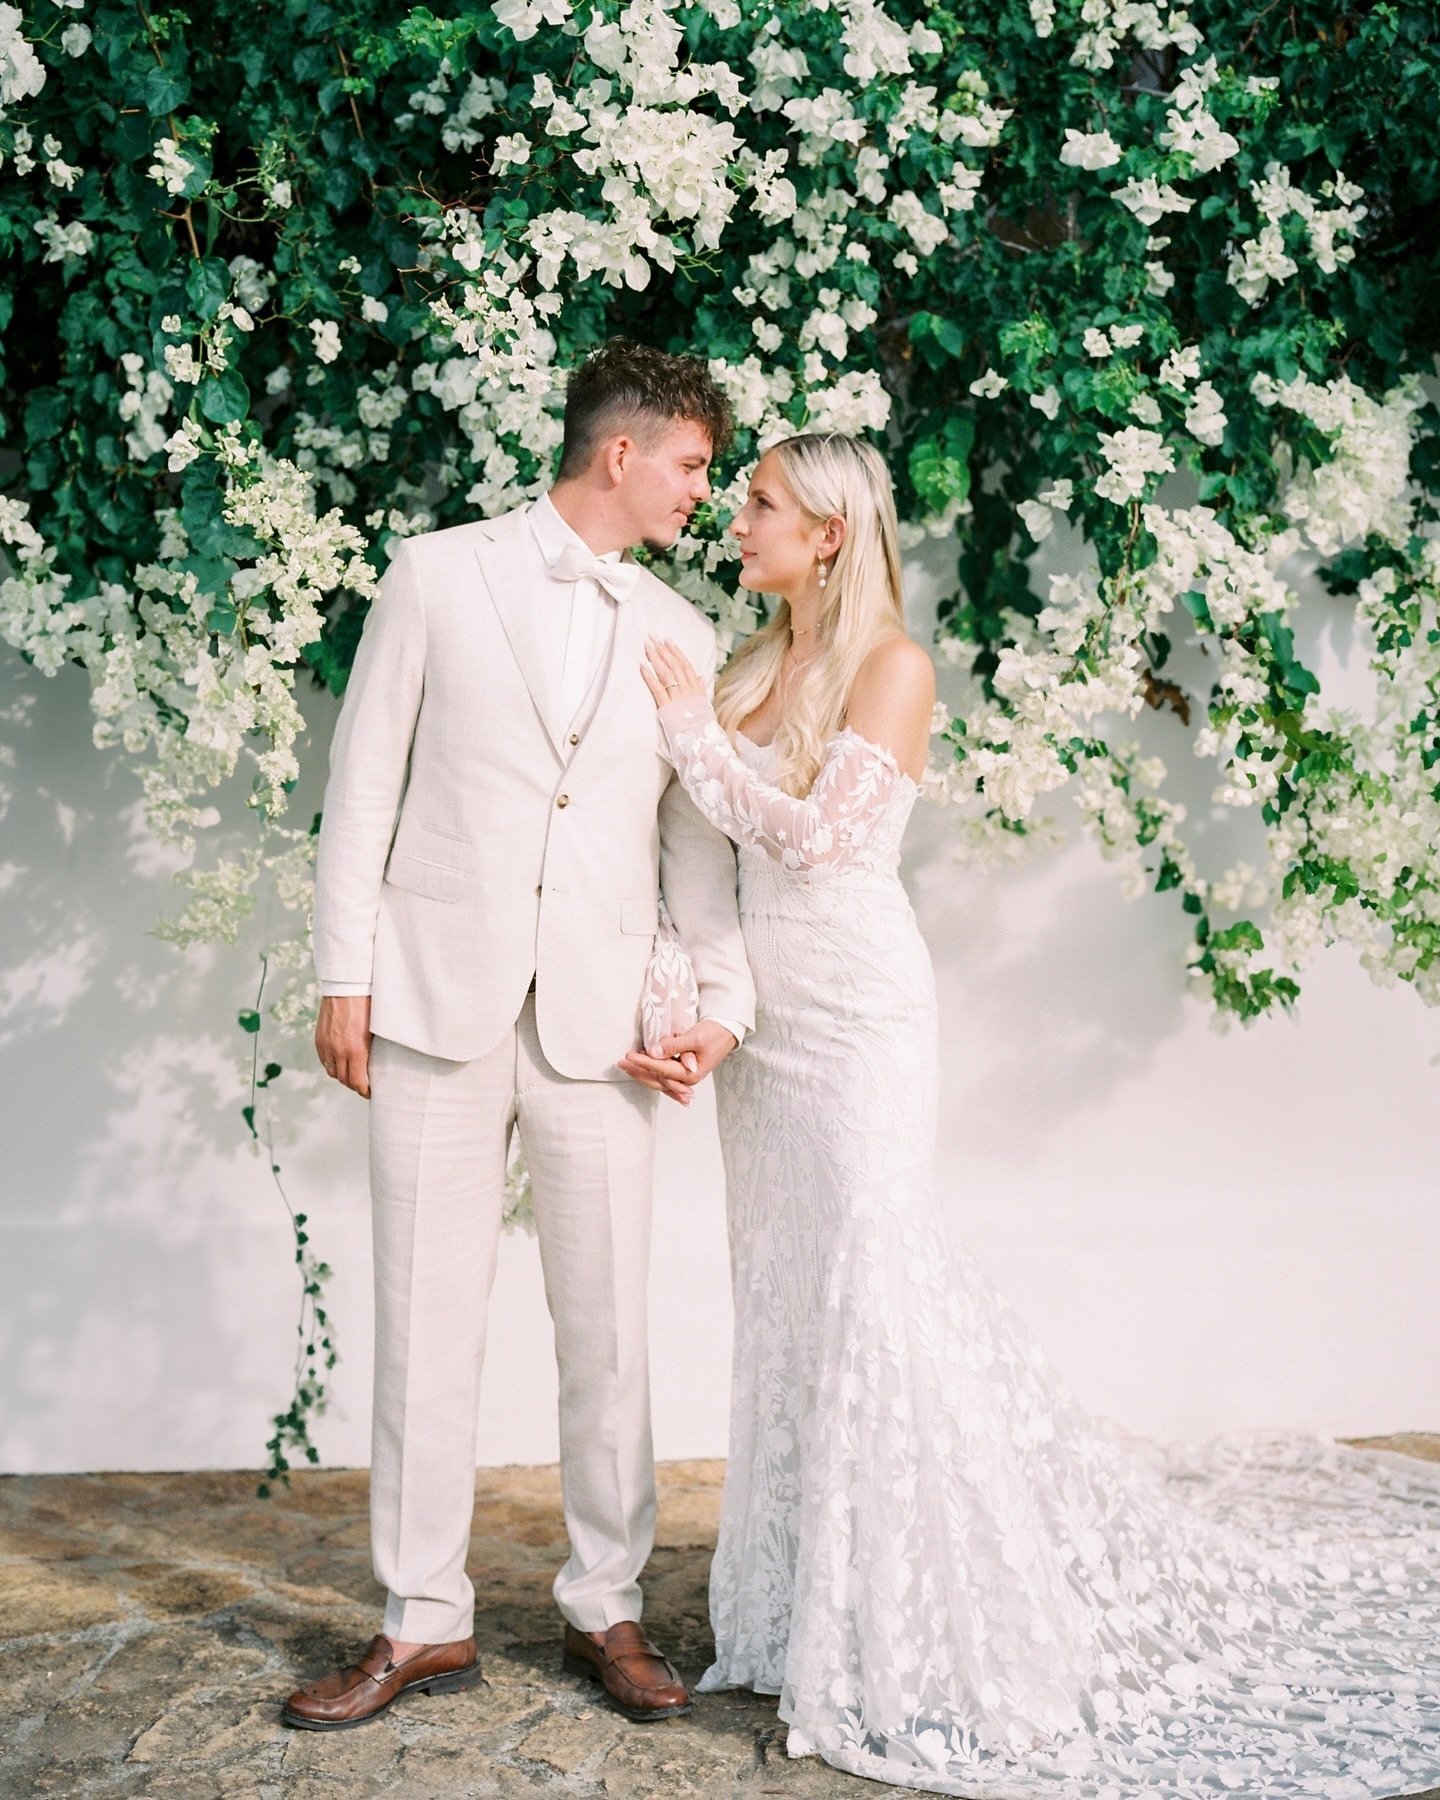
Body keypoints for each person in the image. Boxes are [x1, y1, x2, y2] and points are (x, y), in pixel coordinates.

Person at [634, 430, 1440, 1796]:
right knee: (787, 1304)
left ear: (829, 532)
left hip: (864, 1022)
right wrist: (697, 999)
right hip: (768, 1038)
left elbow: (822, 841)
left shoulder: (892, 669)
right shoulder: (750, 666)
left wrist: (691, 739)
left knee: (876, 1294)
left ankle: (915, 1628)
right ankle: (797, 1614)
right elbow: (697, 855)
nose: (738, 520)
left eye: (761, 503)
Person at [282, 341, 756, 1732]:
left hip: (603, 1029)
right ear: (622, 450)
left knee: (609, 1330)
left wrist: (721, 1009)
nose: (701, 493)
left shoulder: (683, 626)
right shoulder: (438, 573)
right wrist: (341, 977)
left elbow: (694, 852)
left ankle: (606, 1602)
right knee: (425, 1320)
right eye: (690, 464)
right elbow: (361, 784)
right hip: (434, 1000)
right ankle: (421, 1622)